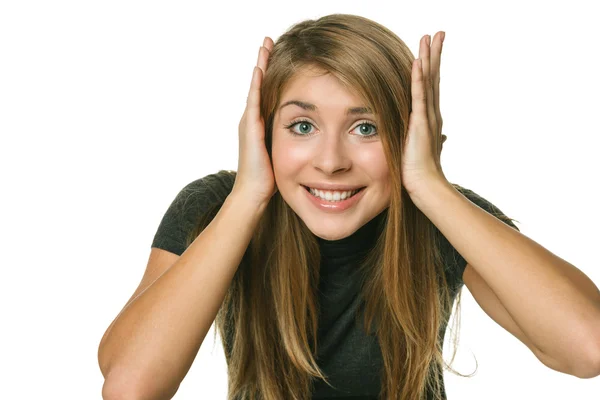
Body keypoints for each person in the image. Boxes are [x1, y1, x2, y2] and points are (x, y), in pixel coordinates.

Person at [97, 13, 600, 400]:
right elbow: (131, 386)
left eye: (367, 128)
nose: (332, 162)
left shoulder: (440, 217)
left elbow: (587, 348)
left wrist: (429, 184)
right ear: (262, 133)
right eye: (301, 126)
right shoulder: (216, 207)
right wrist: (248, 195)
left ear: (407, 135)